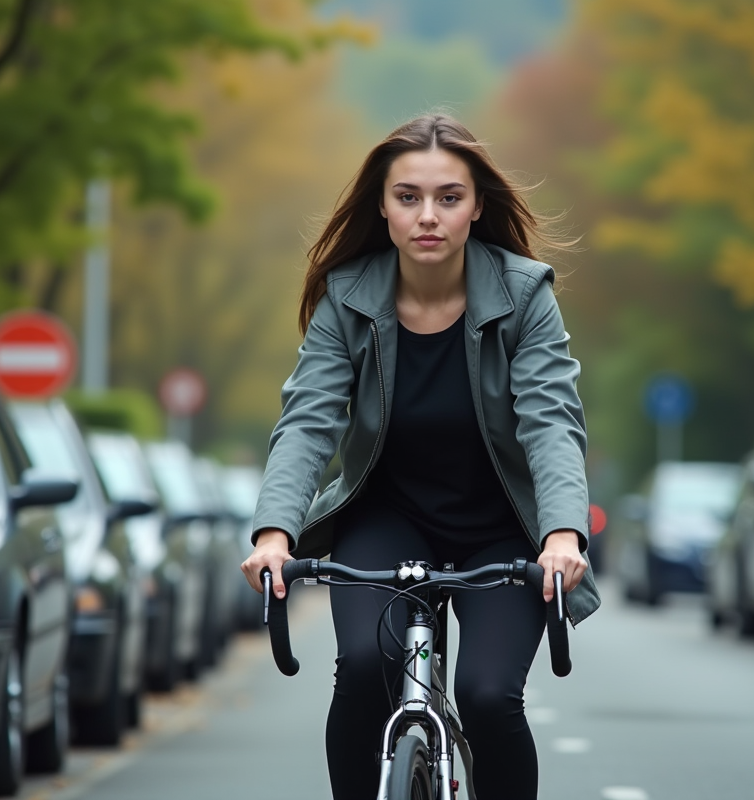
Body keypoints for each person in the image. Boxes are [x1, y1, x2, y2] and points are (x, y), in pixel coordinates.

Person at [241, 114, 600, 800]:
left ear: (477, 207)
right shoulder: (347, 296)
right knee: (364, 667)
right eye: (408, 197)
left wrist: (561, 535)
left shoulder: (525, 295)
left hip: (501, 529)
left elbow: (551, 421)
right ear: (382, 206)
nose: (427, 216)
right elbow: (309, 422)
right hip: (386, 517)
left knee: (489, 696)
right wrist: (274, 533)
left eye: (448, 197)